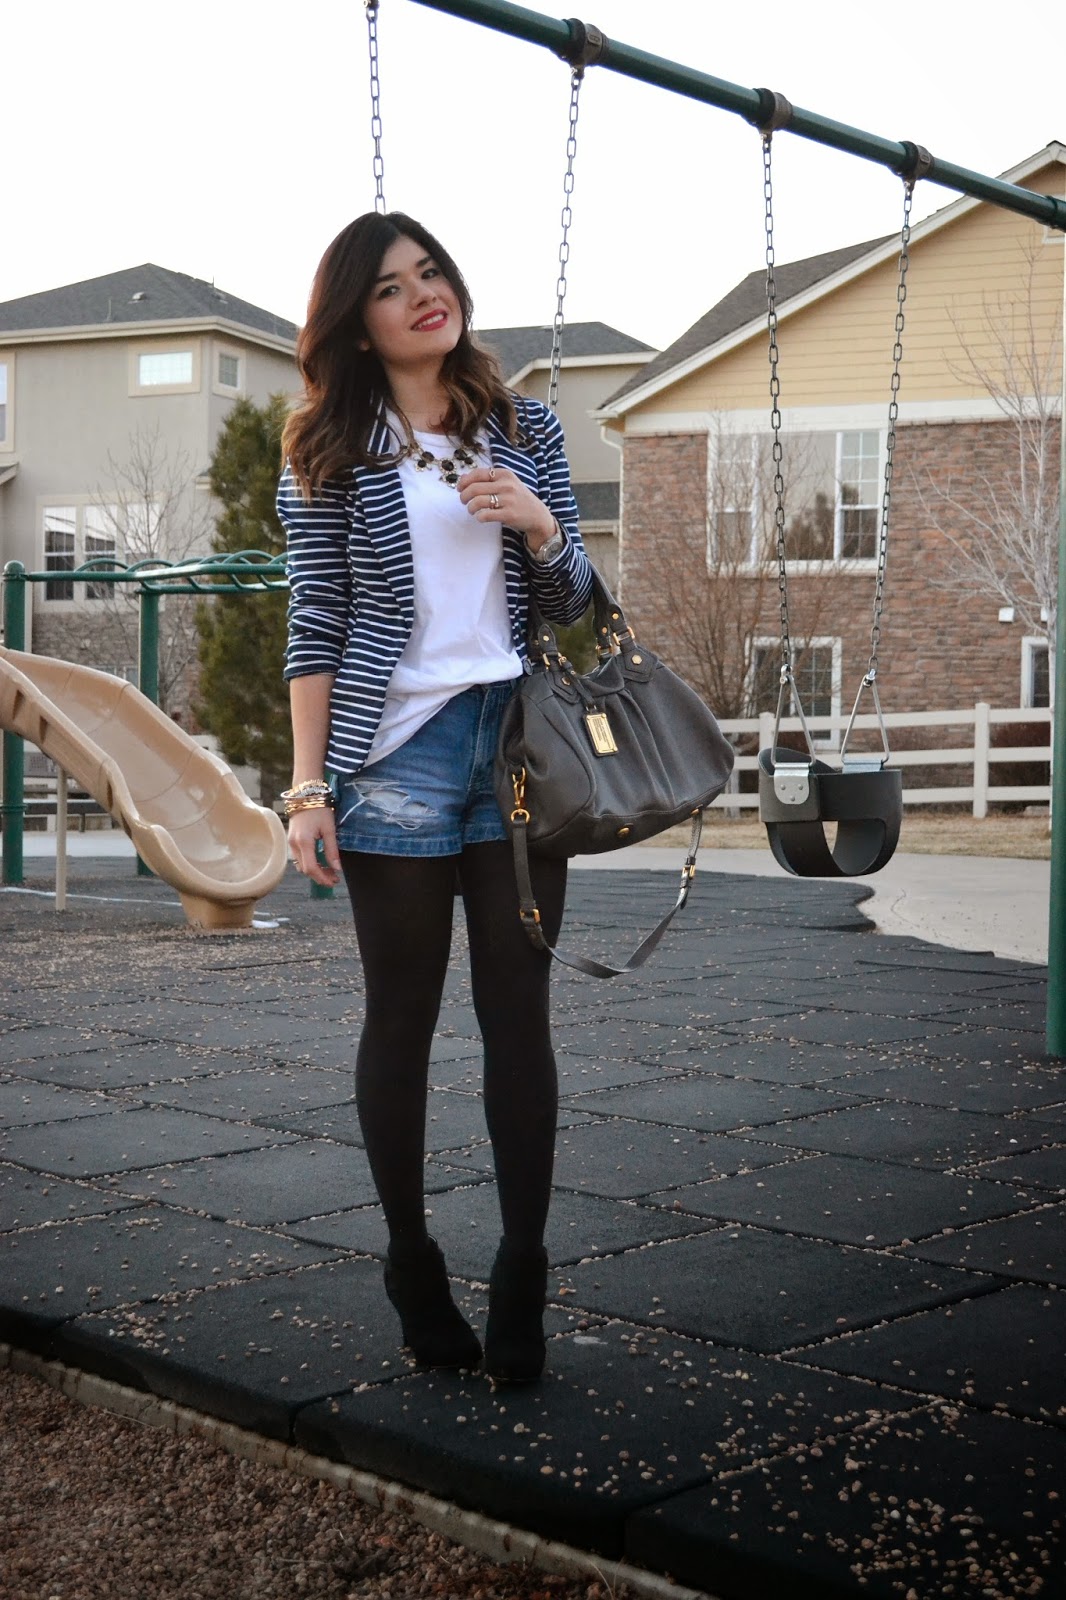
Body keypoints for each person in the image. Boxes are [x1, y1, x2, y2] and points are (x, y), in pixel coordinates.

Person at [277, 212, 593, 1384]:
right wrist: (309, 785)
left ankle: (522, 1269)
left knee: (521, 1016)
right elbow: (315, 623)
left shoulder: (525, 427)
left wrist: (543, 524)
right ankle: (412, 1258)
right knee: (400, 1020)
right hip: (393, 755)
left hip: (515, 748)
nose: (424, 296)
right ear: (354, 320)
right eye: (392, 286)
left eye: (433, 273)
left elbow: (580, 606)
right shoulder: (326, 446)